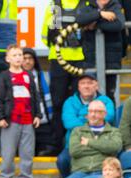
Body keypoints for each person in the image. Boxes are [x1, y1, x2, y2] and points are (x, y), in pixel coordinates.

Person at [0, 45, 42, 178]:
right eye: (14, 55)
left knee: (27, 153)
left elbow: (35, 96)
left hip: (28, 121)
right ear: (8, 59)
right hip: (11, 121)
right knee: (8, 153)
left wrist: (37, 115)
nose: (18, 58)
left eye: (20, 54)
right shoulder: (4, 76)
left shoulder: (29, 75)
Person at [61, 100, 122, 178]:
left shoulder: (113, 131)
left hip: (102, 171)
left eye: (97, 112)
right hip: (81, 171)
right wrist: (102, 147)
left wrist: (89, 142)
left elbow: (114, 147)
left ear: (104, 114)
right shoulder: (77, 131)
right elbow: (74, 151)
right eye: (90, 111)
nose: (93, 115)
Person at [42, 0, 85, 154]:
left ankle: (58, 145)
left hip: (61, 59)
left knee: (62, 103)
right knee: (74, 102)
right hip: (79, 59)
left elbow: (45, 36)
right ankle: (67, 143)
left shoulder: (54, 4)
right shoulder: (85, 4)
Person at [58, 73, 115, 178]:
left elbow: (109, 117)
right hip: (76, 144)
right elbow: (69, 123)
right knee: (62, 160)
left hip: (100, 143)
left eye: (90, 83)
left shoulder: (106, 100)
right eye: (83, 83)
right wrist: (94, 118)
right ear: (78, 87)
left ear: (96, 85)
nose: (86, 86)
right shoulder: (70, 102)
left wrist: (81, 116)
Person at [76, 0, 125, 103]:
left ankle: (109, 119)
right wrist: (100, 14)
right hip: (91, 60)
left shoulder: (116, 7)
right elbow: (80, 20)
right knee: (89, 95)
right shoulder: (87, 7)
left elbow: (119, 25)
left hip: (111, 62)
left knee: (109, 95)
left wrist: (95, 25)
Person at [22, 47, 58, 156]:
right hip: (23, 121)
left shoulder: (44, 76)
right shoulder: (12, 76)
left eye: (30, 58)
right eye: (24, 58)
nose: (27, 61)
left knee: (47, 150)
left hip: (43, 119)